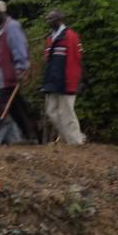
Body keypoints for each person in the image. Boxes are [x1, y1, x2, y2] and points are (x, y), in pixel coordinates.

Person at [0, 0, 37, 143]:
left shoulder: (12, 27)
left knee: (1, 104)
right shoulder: (1, 30)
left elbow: (19, 48)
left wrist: (21, 68)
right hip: (3, 76)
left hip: (11, 75)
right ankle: (31, 136)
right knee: (17, 109)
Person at [41, 9, 85, 145]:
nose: (47, 21)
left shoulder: (71, 36)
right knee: (51, 111)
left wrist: (72, 79)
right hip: (52, 80)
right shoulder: (50, 38)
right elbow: (48, 60)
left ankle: (76, 141)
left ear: (59, 19)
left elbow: (76, 59)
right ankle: (67, 138)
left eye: (50, 19)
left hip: (67, 80)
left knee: (67, 112)